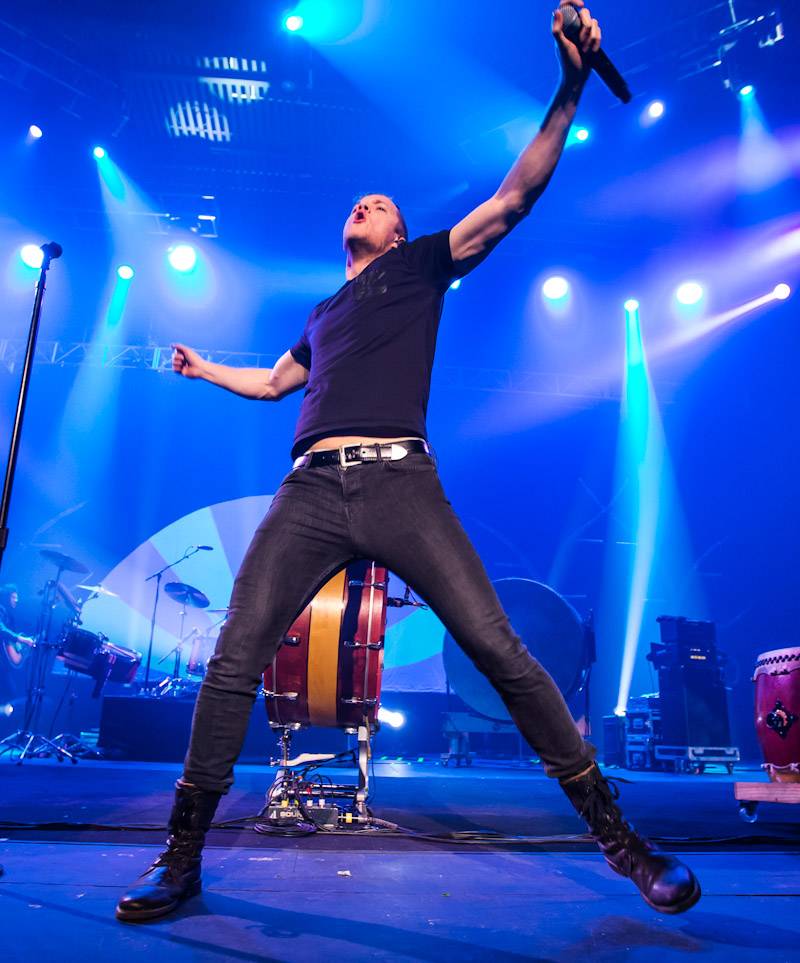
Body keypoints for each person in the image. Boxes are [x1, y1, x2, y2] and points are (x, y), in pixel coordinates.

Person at [116, 2, 700, 923]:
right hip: (311, 487)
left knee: (498, 648)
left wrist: (569, 86)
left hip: (400, 481)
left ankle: (624, 841)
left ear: (396, 236)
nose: (367, 203)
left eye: (382, 204)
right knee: (233, 658)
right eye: (360, 202)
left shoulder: (422, 265)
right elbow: (272, 384)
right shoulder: (321, 314)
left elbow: (511, 201)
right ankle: (181, 859)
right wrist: (202, 368)